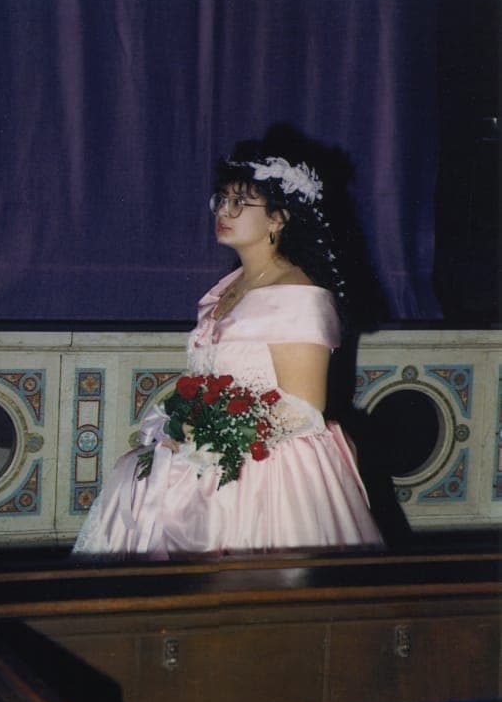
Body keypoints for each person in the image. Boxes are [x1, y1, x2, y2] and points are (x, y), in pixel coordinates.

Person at [73, 139, 384, 558]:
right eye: (221, 200)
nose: (223, 211)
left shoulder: (299, 294)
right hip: (208, 455)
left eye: (240, 203)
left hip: (269, 472)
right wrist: (184, 432)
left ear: (279, 218)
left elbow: (304, 406)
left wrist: (209, 440)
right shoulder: (228, 288)